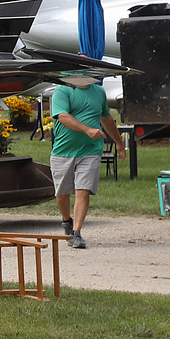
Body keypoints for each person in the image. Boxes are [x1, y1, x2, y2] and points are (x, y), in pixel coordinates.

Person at [50, 77, 124, 248]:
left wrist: (119, 143)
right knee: (62, 195)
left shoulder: (99, 92)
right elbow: (62, 116)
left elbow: (106, 119)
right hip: (63, 152)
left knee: (83, 191)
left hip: (91, 150)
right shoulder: (62, 90)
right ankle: (67, 220)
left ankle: (76, 233)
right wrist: (87, 129)